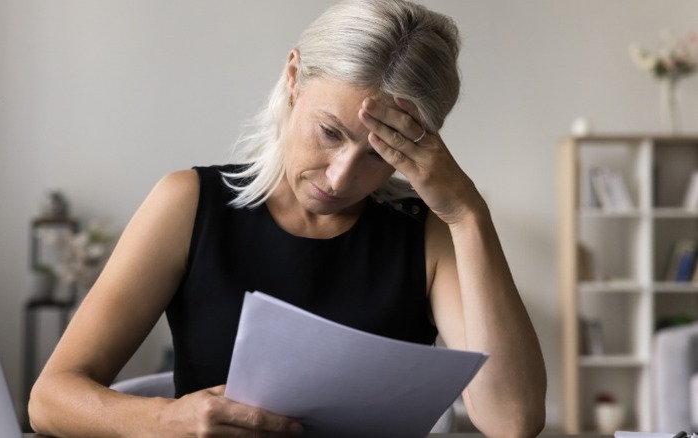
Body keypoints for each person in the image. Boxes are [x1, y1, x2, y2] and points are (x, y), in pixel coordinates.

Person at [28, 0, 547, 436]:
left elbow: (513, 420)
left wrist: (467, 211)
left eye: (379, 153)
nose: (340, 178)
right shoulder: (189, 204)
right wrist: (164, 421)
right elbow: (50, 398)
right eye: (330, 133)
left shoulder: (429, 233)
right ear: (294, 78)